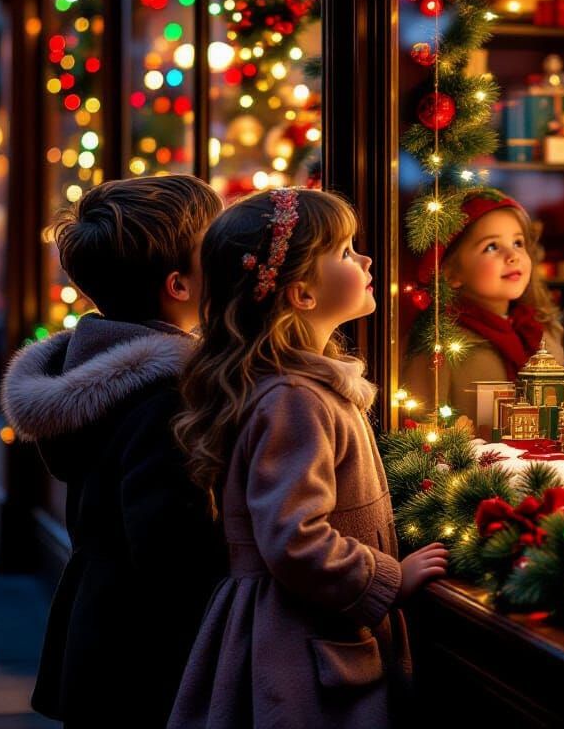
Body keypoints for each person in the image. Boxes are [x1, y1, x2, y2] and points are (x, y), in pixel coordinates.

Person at [169, 188, 448, 729]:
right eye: (345, 252)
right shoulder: (294, 398)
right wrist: (388, 578)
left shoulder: (300, 387)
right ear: (300, 292)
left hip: (305, 632)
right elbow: (294, 540)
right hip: (298, 645)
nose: (365, 260)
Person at [0, 175, 227, 728]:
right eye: (217, 249)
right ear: (179, 284)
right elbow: (171, 549)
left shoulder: (94, 375)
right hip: (147, 656)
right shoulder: (169, 394)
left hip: (100, 634)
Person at [403, 189, 564, 426]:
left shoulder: (541, 333)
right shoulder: (441, 345)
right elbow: (419, 427)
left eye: (518, 243)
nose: (513, 256)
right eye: (491, 247)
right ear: (450, 272)